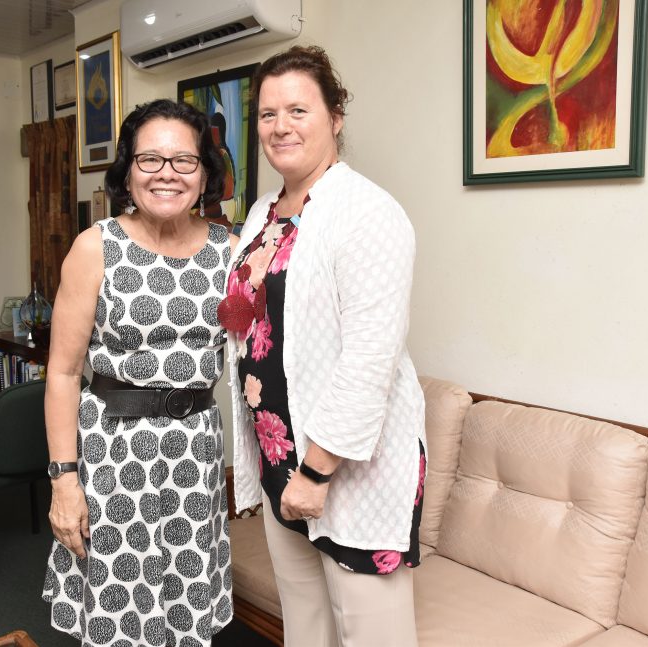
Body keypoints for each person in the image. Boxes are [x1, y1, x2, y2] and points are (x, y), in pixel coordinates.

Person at [218, 46, 426, 647]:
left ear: (335, 116)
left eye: (298, 110)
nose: (280, 126)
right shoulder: (262, 212)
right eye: (266, 114)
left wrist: (315, 472)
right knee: (306, 629)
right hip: (280, 454)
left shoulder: (369, 214)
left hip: (342, 466)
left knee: (371, 636)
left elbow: (369, 362)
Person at [42, 98, 239, 647]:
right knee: (121, 614)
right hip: (112, 455)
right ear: (128, 170)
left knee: (184, 610)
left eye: (184, 160)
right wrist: (63, 481)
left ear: (205, 173)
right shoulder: (96, 247)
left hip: (194, 455)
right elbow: (61, 373)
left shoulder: (231, 251)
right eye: (150, 159)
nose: (167, 174)